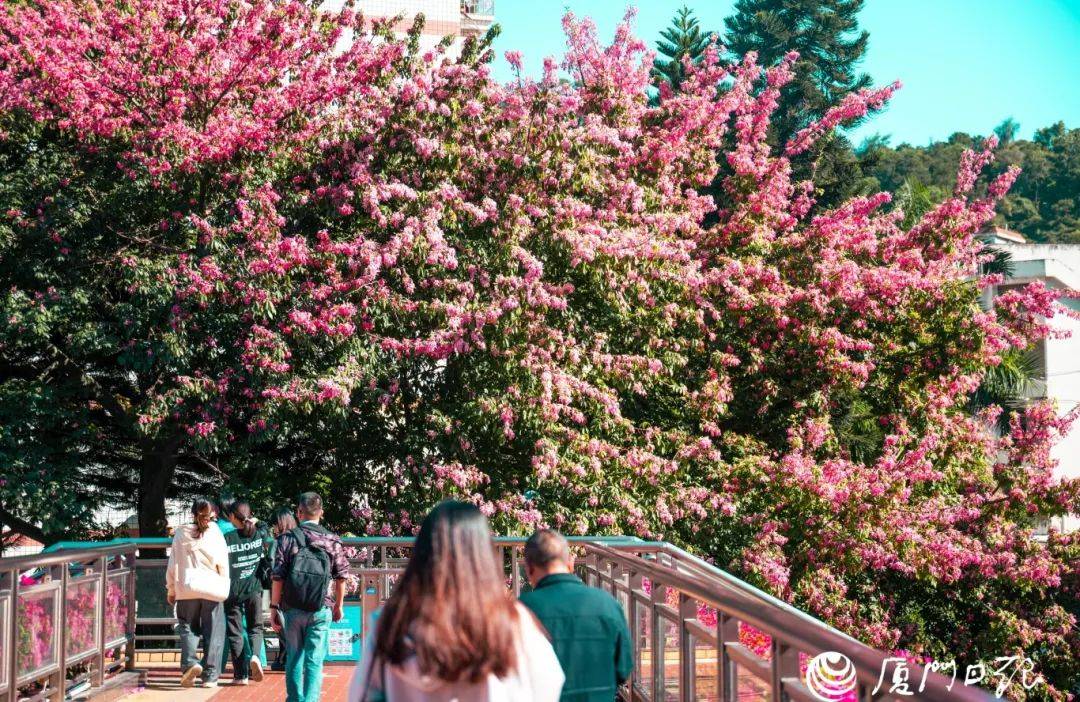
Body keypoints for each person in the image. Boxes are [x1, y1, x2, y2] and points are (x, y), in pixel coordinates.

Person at [348, 501, 564, 702]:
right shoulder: (512, 620)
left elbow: (363, 694)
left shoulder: (392, 622)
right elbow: (547, 685)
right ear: (484, 555)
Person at [518, 530, 632, 702]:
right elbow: (624, 669)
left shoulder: (519, 611)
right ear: (570, 564)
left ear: (528, 568)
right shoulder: (607, 604)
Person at [270, 492, 350, 702]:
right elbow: (342, 577)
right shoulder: (332, 540)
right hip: (320, 607)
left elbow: (277, 577)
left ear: (298, 512)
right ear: (321, 513)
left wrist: (273, 608)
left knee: (294, 657)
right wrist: (338, 606)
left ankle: (294, 699)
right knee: (314, 660)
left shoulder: (286, 539)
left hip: (292, 607)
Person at [166, 497, 231, 688]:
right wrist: (225, 586)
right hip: (212, 588)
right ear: (211, 514)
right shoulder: (215, 533)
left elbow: (173, 564)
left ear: (193, 513)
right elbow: (222, 564)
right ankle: (210, 676)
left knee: (187, 627)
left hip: (186, 588)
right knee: (214, 632)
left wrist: (171, 589)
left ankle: (189, 665)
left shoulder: (180, 533)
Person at [224, 499, 271, 685]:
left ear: (233, 517)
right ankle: (256, 657)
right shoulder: (259, 534)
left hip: (232, 590)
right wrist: (255, 521)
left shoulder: (227, 538)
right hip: (254, 588)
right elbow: (268, 531)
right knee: (255, 627)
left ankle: (240, 675)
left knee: (235, 631)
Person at [268, 506, 299, 672]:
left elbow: (276, 573)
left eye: (274, 525)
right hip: (300, 592)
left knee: (282, 627)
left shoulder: (279, 542)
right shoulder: (301, 538)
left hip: (283, 594)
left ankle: (285, 658)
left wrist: (273, 605)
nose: (273, 529)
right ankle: (285, 657)